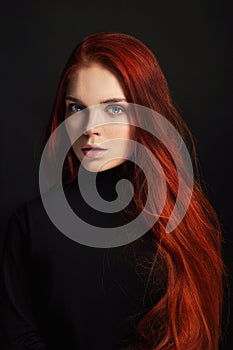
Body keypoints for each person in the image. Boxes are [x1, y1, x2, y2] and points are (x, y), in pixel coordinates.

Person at [1, 32, 225, 350]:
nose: (90, 127)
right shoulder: (31, 224)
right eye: (76, 108)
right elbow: (18, 334)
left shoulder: (184, 220)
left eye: (114, 109)